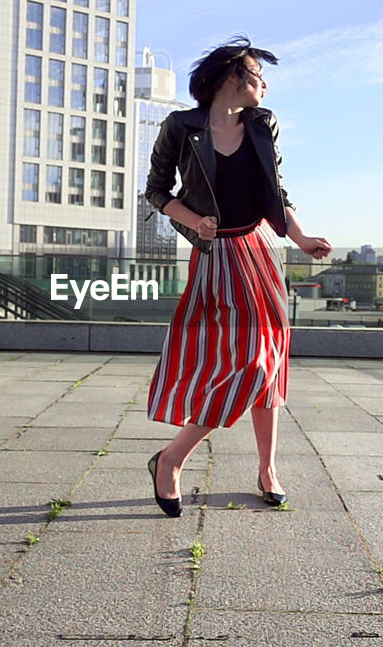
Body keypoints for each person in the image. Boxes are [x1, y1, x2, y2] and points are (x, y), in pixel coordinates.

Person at [143, 36, 331, 518]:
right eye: (256, 75)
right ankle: (171, 458)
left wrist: (303, 239)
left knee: (269, 363)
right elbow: (157, 191)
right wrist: (192, 219)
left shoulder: (263, 126)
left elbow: (276, 192)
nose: (263, 85)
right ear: (233, 77)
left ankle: (267, 470)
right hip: (215, 260)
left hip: (259, 252)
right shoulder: (182, 127)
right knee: (248, 365)